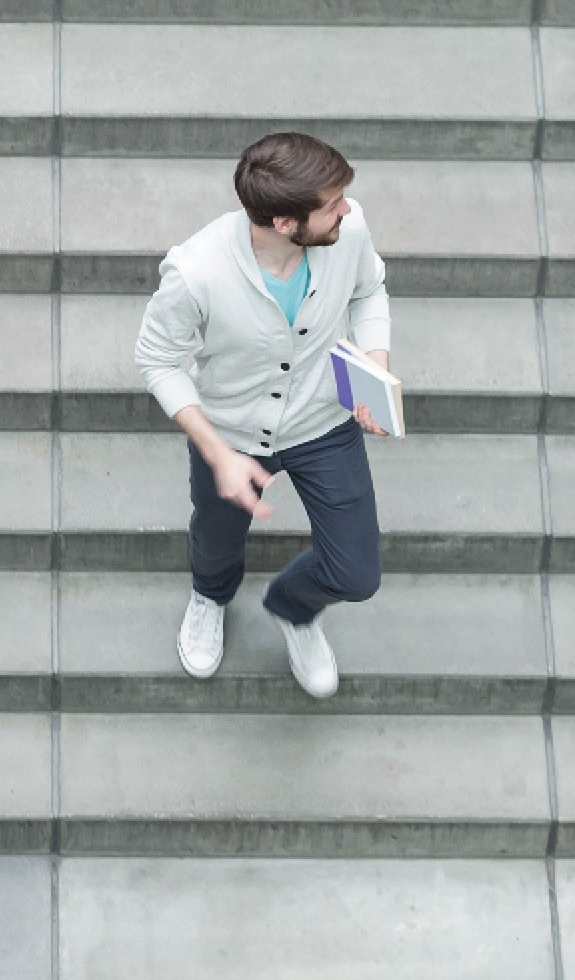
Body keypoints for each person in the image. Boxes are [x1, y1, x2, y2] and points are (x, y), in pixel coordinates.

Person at [134, 131, 393, 701]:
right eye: (331, 205)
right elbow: (156, 360)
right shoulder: (196, 270)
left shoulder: (348, 229)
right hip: (230, 431)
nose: (346, 210)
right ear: (282, 222)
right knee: (216, 541)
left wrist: (374, 362)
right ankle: (210, 597)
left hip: (324, 421)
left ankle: (293, 610)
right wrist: (216, 450)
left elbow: (369, 290)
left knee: (357, 573)